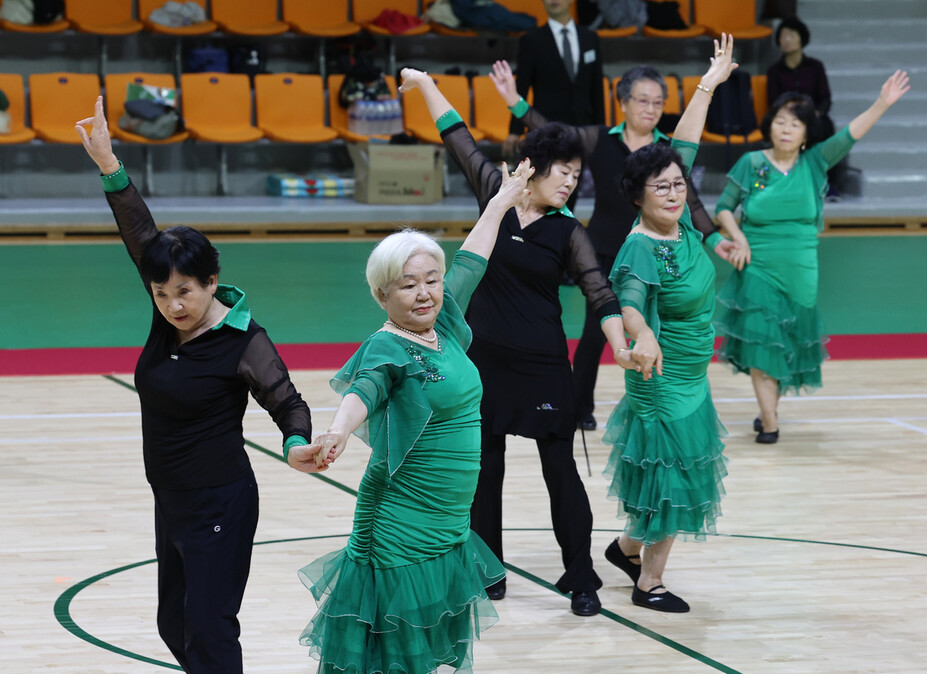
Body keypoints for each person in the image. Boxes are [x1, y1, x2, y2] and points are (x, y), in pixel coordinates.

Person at [74, 97, 314, 673]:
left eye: (185, 291)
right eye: (161, 293)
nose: (173, 304)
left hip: (220, 504)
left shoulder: (242, 341)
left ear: (212, 282)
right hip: (171, 499)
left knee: (210, 631)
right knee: (172, 623)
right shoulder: (165, 317)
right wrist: (109, 164)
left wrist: (296, 443)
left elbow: (287, 401)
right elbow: (142, 236)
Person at [399, 66, 642, 617]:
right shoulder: (496, 196)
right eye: (563, 172)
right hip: (481, 362)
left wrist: (619, 345)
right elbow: (456, 136)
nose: (571, 183)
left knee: (561, 473)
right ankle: (489, 570)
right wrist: (423, 83)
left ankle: (581, 578)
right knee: (484, 470)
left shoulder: (568, 232)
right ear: (531, 168)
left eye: (577, 176)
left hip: (542, 365)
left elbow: (599, 293)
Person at [286, 161, 534, 673]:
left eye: (430, 281)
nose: (424, 293)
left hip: (448, 523)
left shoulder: (442, 320)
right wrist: (337, 431)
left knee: (423, 649)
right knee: (395, 653)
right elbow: (364, 390)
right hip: (401, 523)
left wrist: (500, 202)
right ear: (382, 294)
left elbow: (472, 260)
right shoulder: (386, 346)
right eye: (407, 286)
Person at [490, 59, 744, 431]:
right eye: (643, 101)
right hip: (608, 251)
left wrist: (717, 238)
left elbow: (690, 206)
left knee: (658, 326)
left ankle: (661, 387)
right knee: (596, 335)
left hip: (661, 259)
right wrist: (514, 101)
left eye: (658, 103)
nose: (650, 109)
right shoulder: (601, 139)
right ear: (623, 102)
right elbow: (553, 133)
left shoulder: (665, 153)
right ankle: (579, 407)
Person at [601, 35, 737, 613]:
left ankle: (626, 549)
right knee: (673, 482)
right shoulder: (639, 247)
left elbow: (684, 143)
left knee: (673, 477)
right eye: (662, 187)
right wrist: (644, 332)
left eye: (679, 184)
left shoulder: (679, 228)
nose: (675, 190)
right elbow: (627, 301)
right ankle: (648, 583)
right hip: (660, 379)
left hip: (689, 375)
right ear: (638, 197)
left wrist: (707, 82)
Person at [714, 71, 910, 443]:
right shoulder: (752, 163)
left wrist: (882, 103)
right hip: (757, 265)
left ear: (806, 134)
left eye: (796, 124)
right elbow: (724, 208)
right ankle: (770, 424)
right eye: (781, 122)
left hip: (801, 269)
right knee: (760, 344)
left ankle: (767, 409)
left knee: (784, 345)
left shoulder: (816, 162)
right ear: (770, 126)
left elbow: (850, 134)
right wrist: (738, 237)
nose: (786, 129)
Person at [505, 0, 605, 162]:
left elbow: (597, 90)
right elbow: (521, 87)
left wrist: (601, 130)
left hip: (584, 126)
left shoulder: (590, 38)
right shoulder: (531, 40)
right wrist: (515, 130)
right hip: (545, 127)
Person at [766, 16, 844, 199]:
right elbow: (773, 101)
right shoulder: (774, 71)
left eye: (791, 35)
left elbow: (825, 98)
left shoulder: (815, 67)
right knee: (780, 130)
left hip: (813, 117)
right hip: (787, 118)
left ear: (802, 39)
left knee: (827, 129)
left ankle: (828, 184)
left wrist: (814, 114)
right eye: (783, 36)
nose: (786, 40)